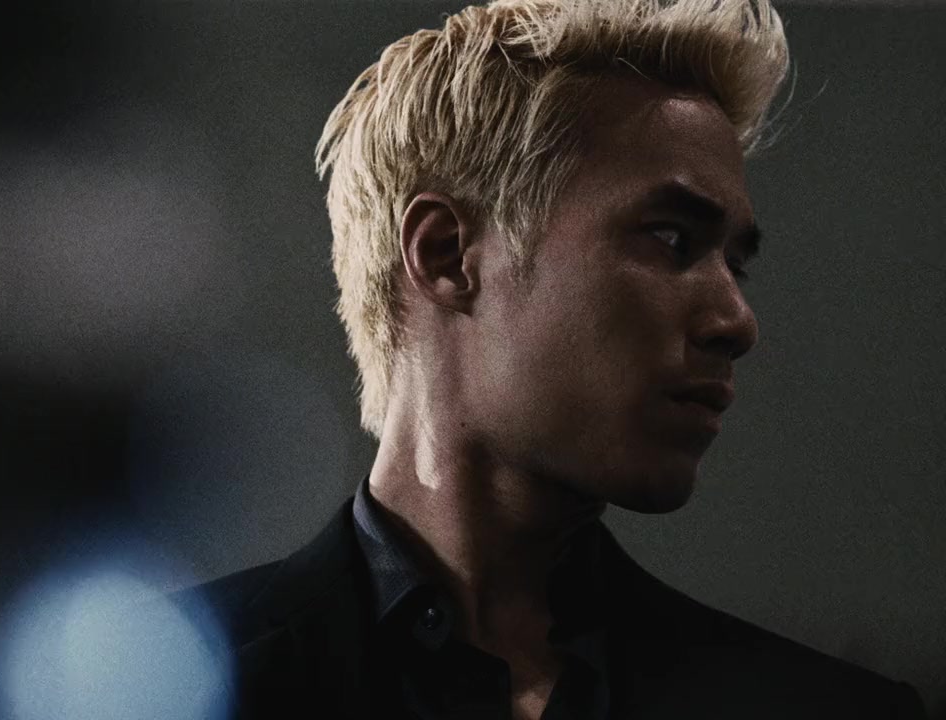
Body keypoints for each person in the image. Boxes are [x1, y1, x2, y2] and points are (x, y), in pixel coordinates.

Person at [174, 0, 929, 718]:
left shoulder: (828, 712)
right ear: (446, 254)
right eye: (671, 239)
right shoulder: (155, 692)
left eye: (737, 263)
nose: (738, 321)